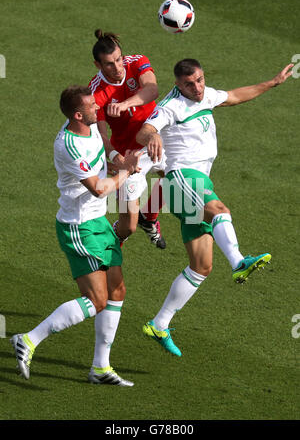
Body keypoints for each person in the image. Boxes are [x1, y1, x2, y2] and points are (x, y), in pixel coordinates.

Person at [136, 59, 294, 356]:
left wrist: (272, 83)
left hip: (195, 181)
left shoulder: (205, 94)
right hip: (182, 177)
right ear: (178, 85)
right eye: (189, 84)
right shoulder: (171, 107)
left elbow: (233, 96)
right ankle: (238, 262)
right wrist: (153, 134)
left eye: (199, 80)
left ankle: (159, 324)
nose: (197, 88)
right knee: (220, 209)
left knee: (201, 266)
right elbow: (143, 132)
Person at [11, 85, 141, 386]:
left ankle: (100, 368)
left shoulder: (90, 126)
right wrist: (127, 171)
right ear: (78, 114)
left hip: (98, 221)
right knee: (96, 300)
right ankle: (28, 340)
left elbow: (103, 141)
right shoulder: (68, 145)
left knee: (117, 292)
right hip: (78, 225)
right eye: (92, 107)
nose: (99, 109)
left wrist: (116, 157)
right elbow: (98, 188)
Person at [89, 29, 166, 249]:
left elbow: (152, 89)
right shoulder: (96, 93)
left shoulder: (137, 62)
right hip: (129, 156)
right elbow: (101, 136)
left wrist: (124, 105)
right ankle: (112, 242)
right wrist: (117, 159)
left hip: (155, 138)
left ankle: (149, 217)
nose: (118, 67)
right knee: (127, 227)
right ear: (98, 65)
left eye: (118, 59)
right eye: (109, 64)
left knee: (180, 177)